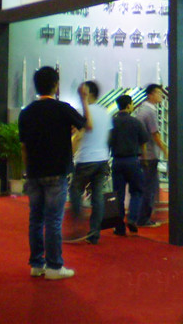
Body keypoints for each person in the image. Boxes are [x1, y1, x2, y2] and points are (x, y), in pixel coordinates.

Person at [18, 66, 91, 280]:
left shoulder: (26, 112)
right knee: (53, 221)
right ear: (56, 85)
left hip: (34, 173)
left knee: (36, 220)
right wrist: (84, 100)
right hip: (57, 172)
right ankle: (54, 266)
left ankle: (36, 264)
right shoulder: (62, 109)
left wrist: (27, 171)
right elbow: (87, 125)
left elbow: (24, 147)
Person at [67, 81, 112, 244]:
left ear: (88, 93)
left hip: (86, 158)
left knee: (75, 191)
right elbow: (108, 136)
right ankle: (94, 233)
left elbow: (77, 136)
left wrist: (70, 155)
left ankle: (77, 224)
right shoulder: (105, 112)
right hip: (102, 158)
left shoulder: (82, 112)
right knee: (97, 196)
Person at [109, 94, 150, 236]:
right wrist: (144, 159)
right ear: (128, 106)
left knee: (118, 195)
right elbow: (143, 142)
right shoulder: (136, 122)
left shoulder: (112, 122)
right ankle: (132, 218)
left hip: (117, 161)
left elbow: (107, 142)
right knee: (137, 192)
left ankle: (119, 228)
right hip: (133, 161)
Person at [137, 83, 168, 227]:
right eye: (158, 93)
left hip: (143, 154)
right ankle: (144, 219)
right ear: (150, 95)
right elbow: (155, 134)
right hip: (149, 155)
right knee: (149, 188)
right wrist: (165, 150)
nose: (161, 96)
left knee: (147, 187)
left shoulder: (142, 110)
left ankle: (141, 216)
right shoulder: (149, 112)